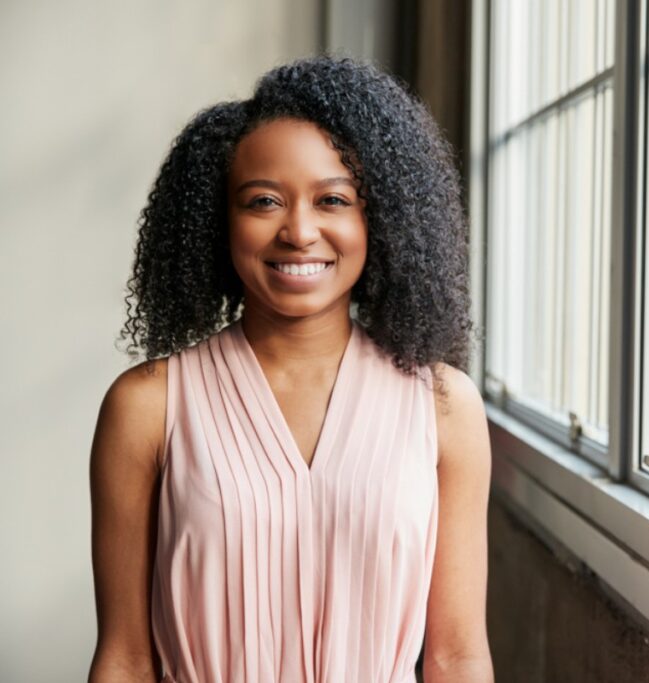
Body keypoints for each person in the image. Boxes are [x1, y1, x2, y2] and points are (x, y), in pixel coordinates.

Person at [88, 56, 494, 683]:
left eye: (333, 199)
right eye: (264, 201)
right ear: (219, 222)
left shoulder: (443, 404)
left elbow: (455, 655)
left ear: (377, 217)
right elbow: (125, 657)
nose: (299, 232)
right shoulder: (146, 406)